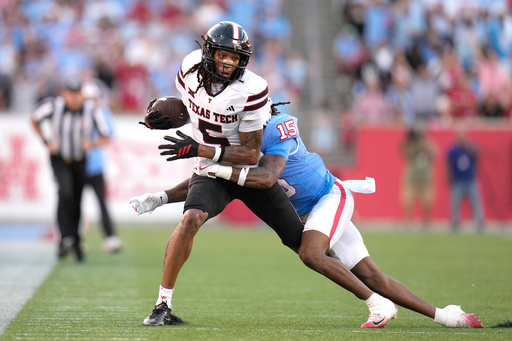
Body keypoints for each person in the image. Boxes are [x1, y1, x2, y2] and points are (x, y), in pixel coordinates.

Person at [133, 21, 399, 328]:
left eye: (235, 57)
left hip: (246, 171)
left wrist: (202, 150)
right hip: (213, 170)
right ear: (207, 52)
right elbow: (191, 106)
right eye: (223, 55)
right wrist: (164, 110)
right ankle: (162, 304)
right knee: (191, 218)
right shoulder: (190, 69)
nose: (229, 62)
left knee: (307, 249)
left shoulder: (251, 89)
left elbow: (248, 152)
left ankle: (374, 298)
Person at [131, 102, 483, 329]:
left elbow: (265, 176)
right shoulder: (236, 140)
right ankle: (447, 316)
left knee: (311, 253)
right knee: (373, 275)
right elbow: (205, 175)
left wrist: (213, 163)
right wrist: (163, 196)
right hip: (313, 209)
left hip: (329, 197)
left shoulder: (276, 125)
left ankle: (379, 306)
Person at [30, 79, 112, 262]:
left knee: (76, 199)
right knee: (65, 192)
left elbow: (106, 136)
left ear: (82, 95)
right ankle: (65, 238)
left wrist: (91, 144)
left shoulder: (92, 111)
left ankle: (74, 241)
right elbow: (34, 118)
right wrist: (46, 141)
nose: (74, 98)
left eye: (77, 94)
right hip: (59, 158)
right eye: (71, 94)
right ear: (65, 94)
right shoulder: (53, 106)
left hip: (79, 160)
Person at [82, 80, 122, 253]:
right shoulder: (77, 113)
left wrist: (90, 144)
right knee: (74, 204)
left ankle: (110, 237)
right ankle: (74, 239)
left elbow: (109, 134)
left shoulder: (102, 113)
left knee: (101, 203)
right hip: (77, 166)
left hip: (95, 166)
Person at [446, 126, 485, 232]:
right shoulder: (453, 149)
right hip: (458, 180)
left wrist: (470, 148)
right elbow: (448, 163)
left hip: (470, 179)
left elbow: (479, 155)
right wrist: (448, 177)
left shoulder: (471, 147)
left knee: (476, 201)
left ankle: (479, 222)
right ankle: (455, 223)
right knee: (455, 202)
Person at [399, 128, 436, 229]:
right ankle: (409, 222)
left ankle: (426, 222)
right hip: (412, 180)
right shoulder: (411, 146)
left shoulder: (429, 145)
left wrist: (423, 145)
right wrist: (412, 144)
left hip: (425, 180)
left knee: (427, 202)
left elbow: (434, 155)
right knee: (408, 201)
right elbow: (403, 152)